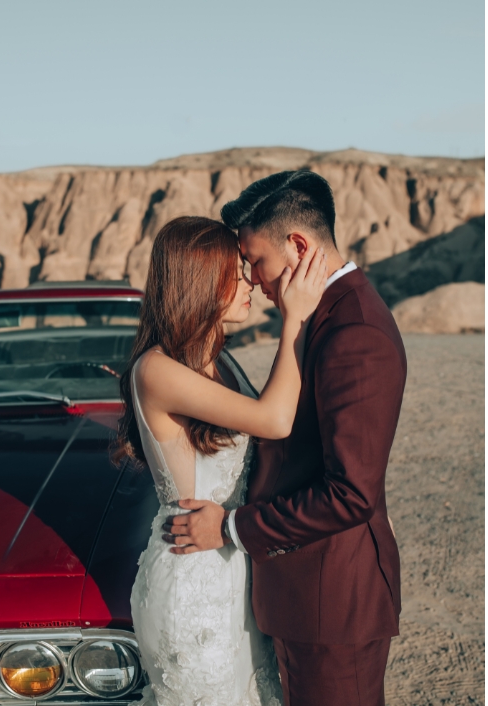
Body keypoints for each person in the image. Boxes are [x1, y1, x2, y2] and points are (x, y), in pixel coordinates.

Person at [163, 170, 407, 706]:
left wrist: (230, 527)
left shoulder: (355, 332)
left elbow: (352, 493)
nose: (252, 277)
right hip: (304, 593)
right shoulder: (322, 316)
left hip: (333, 602)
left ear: (298, 245)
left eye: (255, 260)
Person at [112, 215, 328, 706]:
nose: (251, 279)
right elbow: (274, 420)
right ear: (201, 280)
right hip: (192, 582)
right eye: (236, 270)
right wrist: (293, 317)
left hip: (233, 569)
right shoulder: (156, 369)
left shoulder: (221, 365)